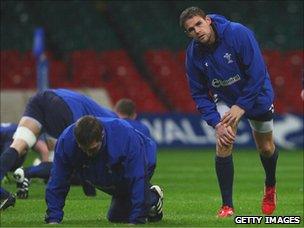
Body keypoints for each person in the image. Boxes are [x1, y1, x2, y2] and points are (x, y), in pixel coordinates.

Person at [179, 7, 278, 217]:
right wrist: (216, 123)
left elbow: (258, 73)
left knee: (266, 148)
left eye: (198, 24)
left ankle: (270, 186)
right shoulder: (193, 55)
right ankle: (227, 206)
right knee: (223, 140)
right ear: (187, 34)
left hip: (256, 94)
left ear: (207, 20)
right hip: (225, 97)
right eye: (190, 30)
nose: (196, 31)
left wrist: (241, 105)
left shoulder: (237, 33)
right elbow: (198, 94)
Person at [0, 89, 118, 208]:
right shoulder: (112, 122)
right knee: (64, 161)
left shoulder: (98, 111)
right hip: (65, 109)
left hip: (41, 98)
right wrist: (91, 192)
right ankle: (27, 172)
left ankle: (17, 178)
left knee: (18, 145)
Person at [45, 115, 163, 224]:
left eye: (92, 149)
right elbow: (57, 180)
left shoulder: (123, 136)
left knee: (133, 196)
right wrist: (53, 219)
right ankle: (138, 200)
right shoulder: (66, 141)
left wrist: (137, 220)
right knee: (116, 217)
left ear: (102, 136)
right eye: (83, 149)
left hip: (144, 158)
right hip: (106, 166)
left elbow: (138, 178)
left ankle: (153, 197)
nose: (88, 154)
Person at [0, 122, 50, 210]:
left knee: (11, 165)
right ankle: (24, 175)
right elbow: (44, 150)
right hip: (16, 133)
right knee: (12, 165)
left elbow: (44, 149)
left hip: (12, 138)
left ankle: (6, 195)